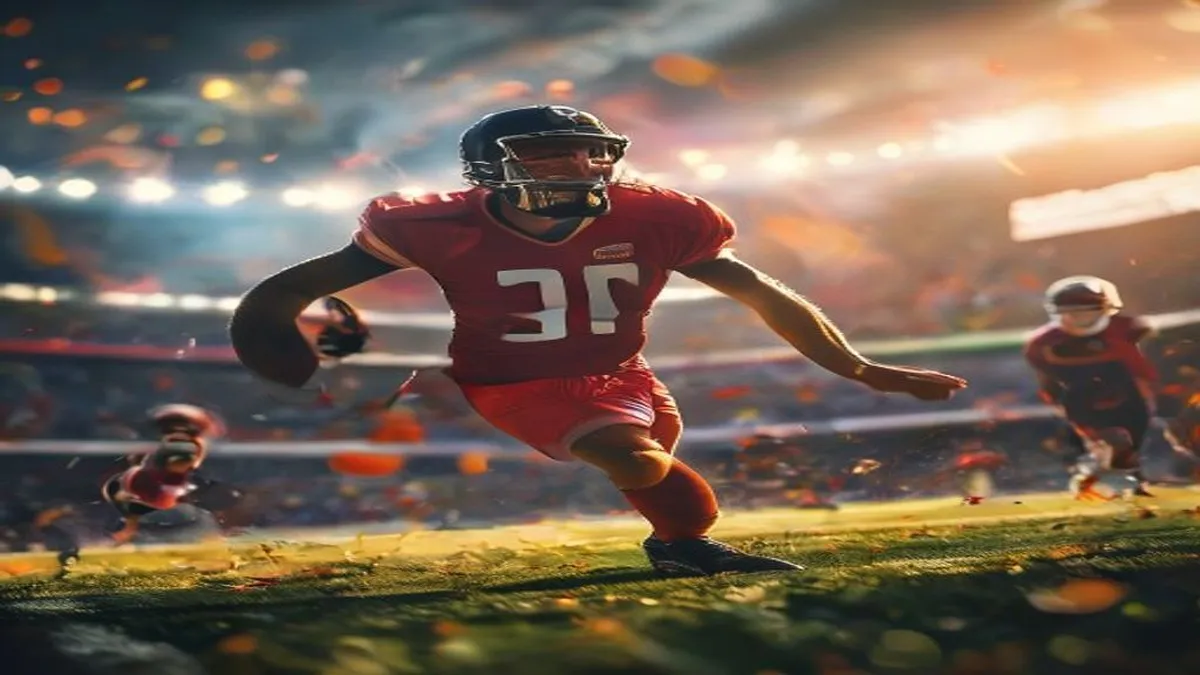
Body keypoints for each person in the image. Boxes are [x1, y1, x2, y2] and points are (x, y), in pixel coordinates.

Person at [229, 105, 968, 576]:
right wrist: (273, 344)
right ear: (493, 167)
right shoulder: (432, 223)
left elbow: (760, 290)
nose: (578, 167)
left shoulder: (656, 216)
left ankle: (676, 549)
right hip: (516, 382)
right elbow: (286, 289)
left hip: (627, 371)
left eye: (589, 152)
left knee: (651, 475)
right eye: (550, 154)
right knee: (643, 464)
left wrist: (859, 365)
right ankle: (697, 544)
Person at [1023, 276, 1158, 499]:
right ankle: (1110, 481)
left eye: (1087, 311)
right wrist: (1057, 402)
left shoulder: (1129, 329)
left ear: (1105, 309)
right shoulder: (1042, 344)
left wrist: (1152, 393)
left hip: (1128, 395)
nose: (1079, 318)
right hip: (1082, 398)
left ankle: (1108, 480)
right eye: (1071, 312)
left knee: (1127, 449)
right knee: (1115, 441)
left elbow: (1145, 368)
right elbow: (1048, 381)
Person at [103, 404, 223, 544]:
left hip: (190, 531)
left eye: (190, 433)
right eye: (169, 430)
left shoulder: (208, 475)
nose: (179, 440)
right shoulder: (137, 477)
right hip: (152, 534)